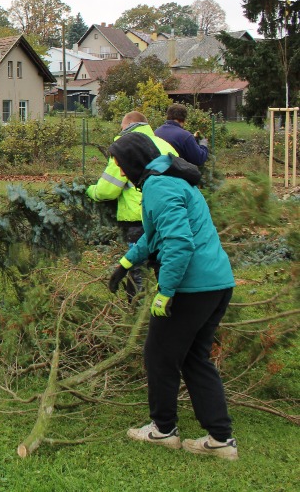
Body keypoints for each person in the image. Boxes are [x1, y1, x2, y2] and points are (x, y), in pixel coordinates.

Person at [109, 131, 238, 460]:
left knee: (159, 355)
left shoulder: (159, 187)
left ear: (133, 162)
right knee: (195, 358)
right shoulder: (165, 178)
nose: (119, 172)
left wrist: (166, 292)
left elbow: (179, 243)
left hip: (192, 287)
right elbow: (155, 236)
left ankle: (163, 430)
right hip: (217, 283)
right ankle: (221, 440)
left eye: (121, 164)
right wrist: (125, 264)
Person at [86, 112, 177, 298]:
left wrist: (89, 191)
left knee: (137, 271)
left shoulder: (126, 149)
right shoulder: (166, 145)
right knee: (164, 264)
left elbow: (107, 190)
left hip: (137, 217)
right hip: (169, 216)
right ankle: (166, 301)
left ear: (127, 126)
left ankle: (136, 310)